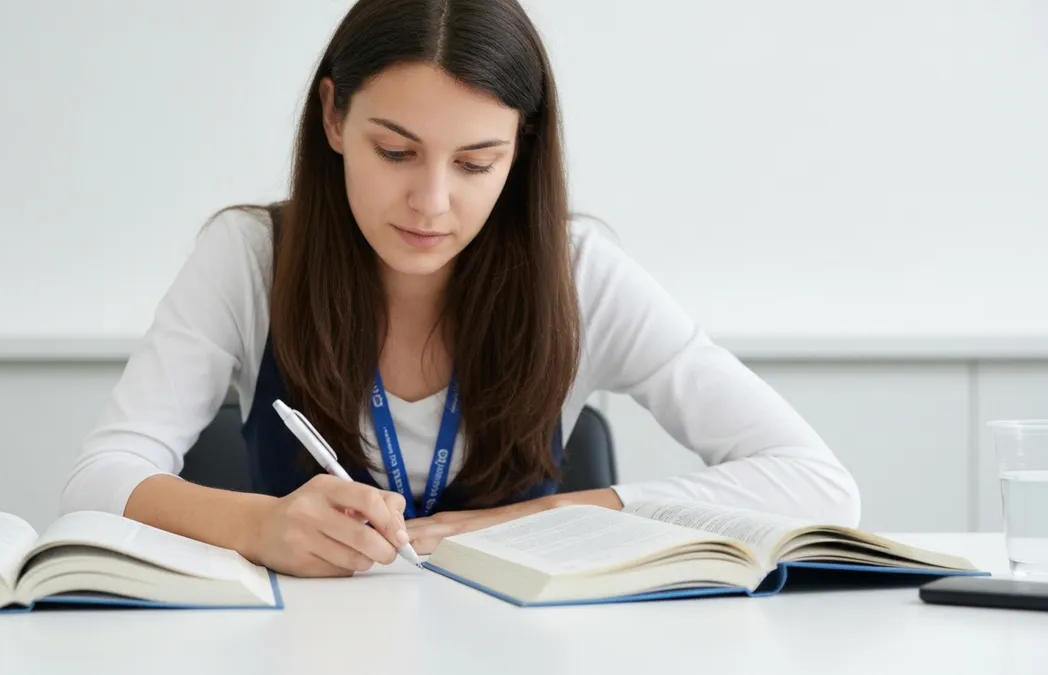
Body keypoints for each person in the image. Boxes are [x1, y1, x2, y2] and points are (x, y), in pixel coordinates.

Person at [61, 0, 860, 578]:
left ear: (521, 150)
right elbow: (98, 479)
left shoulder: (579, 273)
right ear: (335, 118)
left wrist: (546, 516)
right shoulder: (251, 256)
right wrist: (263, 524)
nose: (432, 202)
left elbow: (817, 484)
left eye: (476, 163)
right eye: (396, 151)